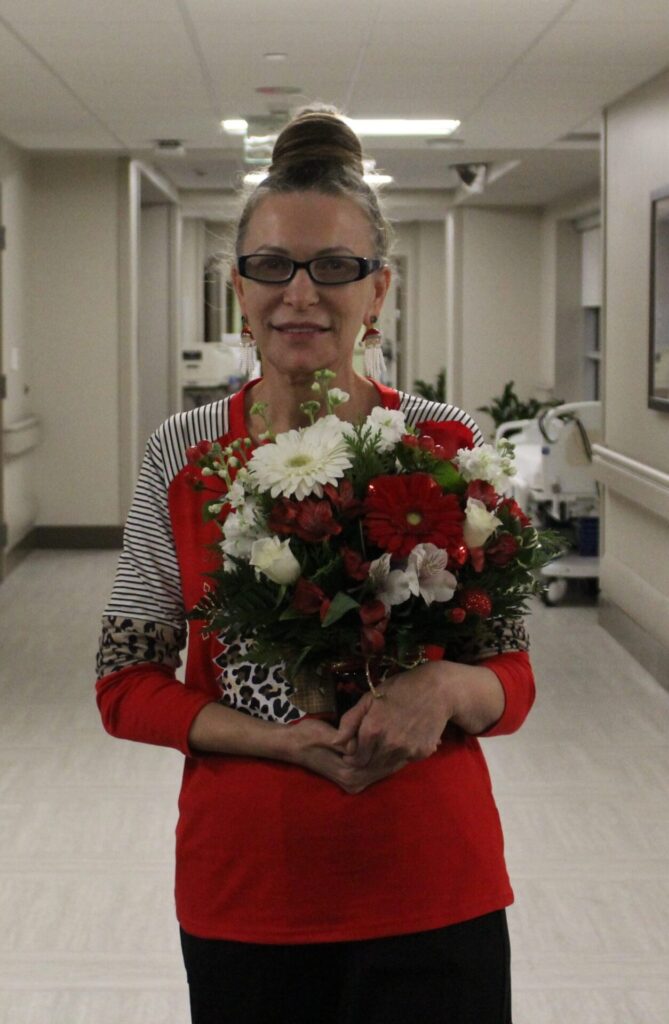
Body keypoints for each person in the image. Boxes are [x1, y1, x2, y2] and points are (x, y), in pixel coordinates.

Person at [96, 108, 534, 1024]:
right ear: (238, 286)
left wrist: (446, 691)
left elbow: (512, 676)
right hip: (251, 888)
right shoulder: (181, 452)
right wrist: (273, 740)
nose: (301, 293)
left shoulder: (448, 445)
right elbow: (125, 685)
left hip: (431, 883)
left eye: (334, 267)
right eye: (271, 266)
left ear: (379, 290)